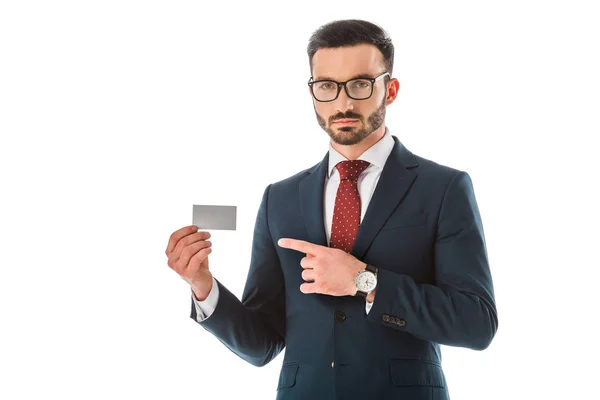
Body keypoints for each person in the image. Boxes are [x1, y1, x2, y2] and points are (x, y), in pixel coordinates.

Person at [165, 19, 498, 400]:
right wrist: (203, 286)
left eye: (360, 84)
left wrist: (364, 280)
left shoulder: (444, 188)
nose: (342, 103)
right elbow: (262, 344)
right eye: (327, 86)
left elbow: (477, 322)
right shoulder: (280, 197)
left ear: (390, 90)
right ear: (312, 93)